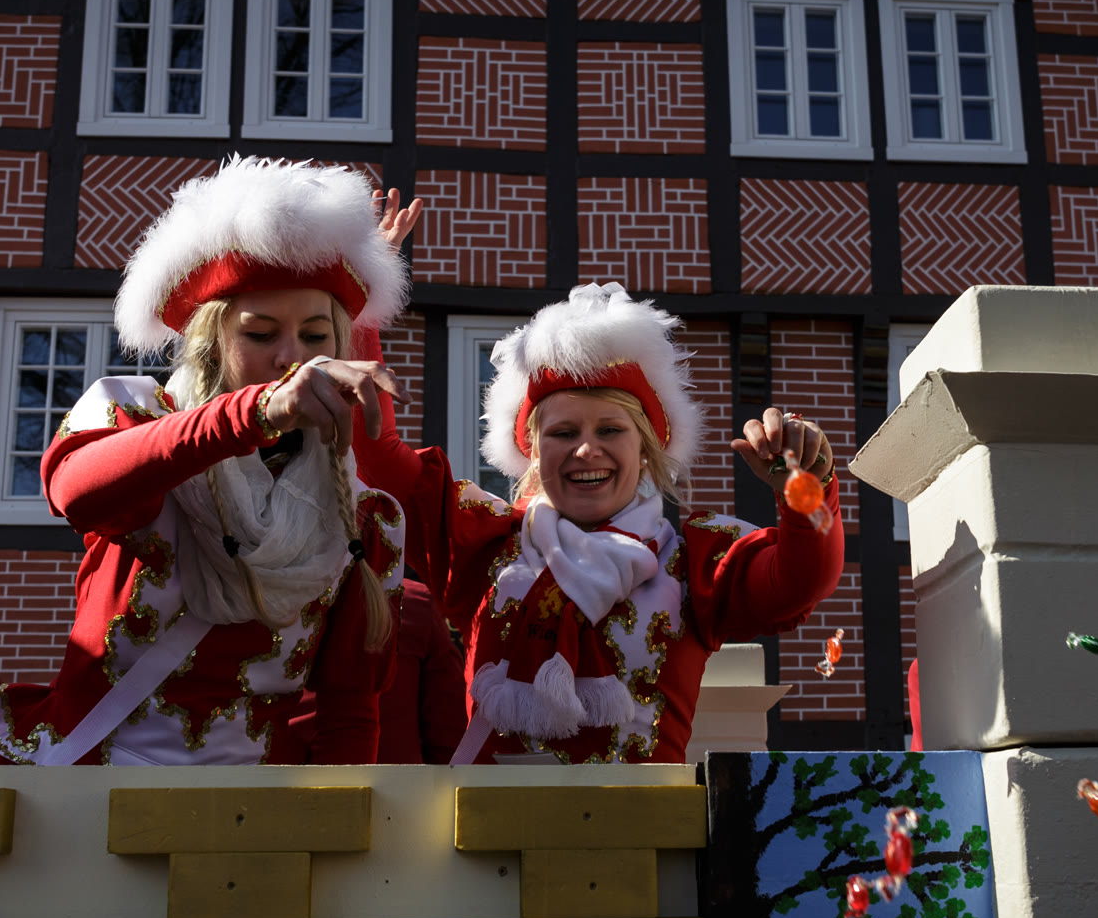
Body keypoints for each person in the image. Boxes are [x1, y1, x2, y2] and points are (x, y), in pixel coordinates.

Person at [0, 157, 420, 765]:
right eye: (261, 334)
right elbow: (74, 490)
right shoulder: (136, 418)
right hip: (91, 789)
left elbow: (349, 716)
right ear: (213, 342)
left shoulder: (365, 519)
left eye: (316, 336)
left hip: (247, 812)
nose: (291, 357)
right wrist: (252, 413)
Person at [334, 282, 843, 763]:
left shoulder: (691, 561)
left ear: (645, 450)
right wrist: (363, 300)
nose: (585, 450)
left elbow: (800, 582)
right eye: (563, 433)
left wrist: (807, 488)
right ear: (533, 452)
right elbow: (378, 459)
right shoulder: (483, 542)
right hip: (490, 826)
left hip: (644, 827)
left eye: (610, 430)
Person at [374, 578, 469, 763]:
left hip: (316, 765)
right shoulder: (416, 600)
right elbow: (447, 728)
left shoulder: (416, 600)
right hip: (396, 774)